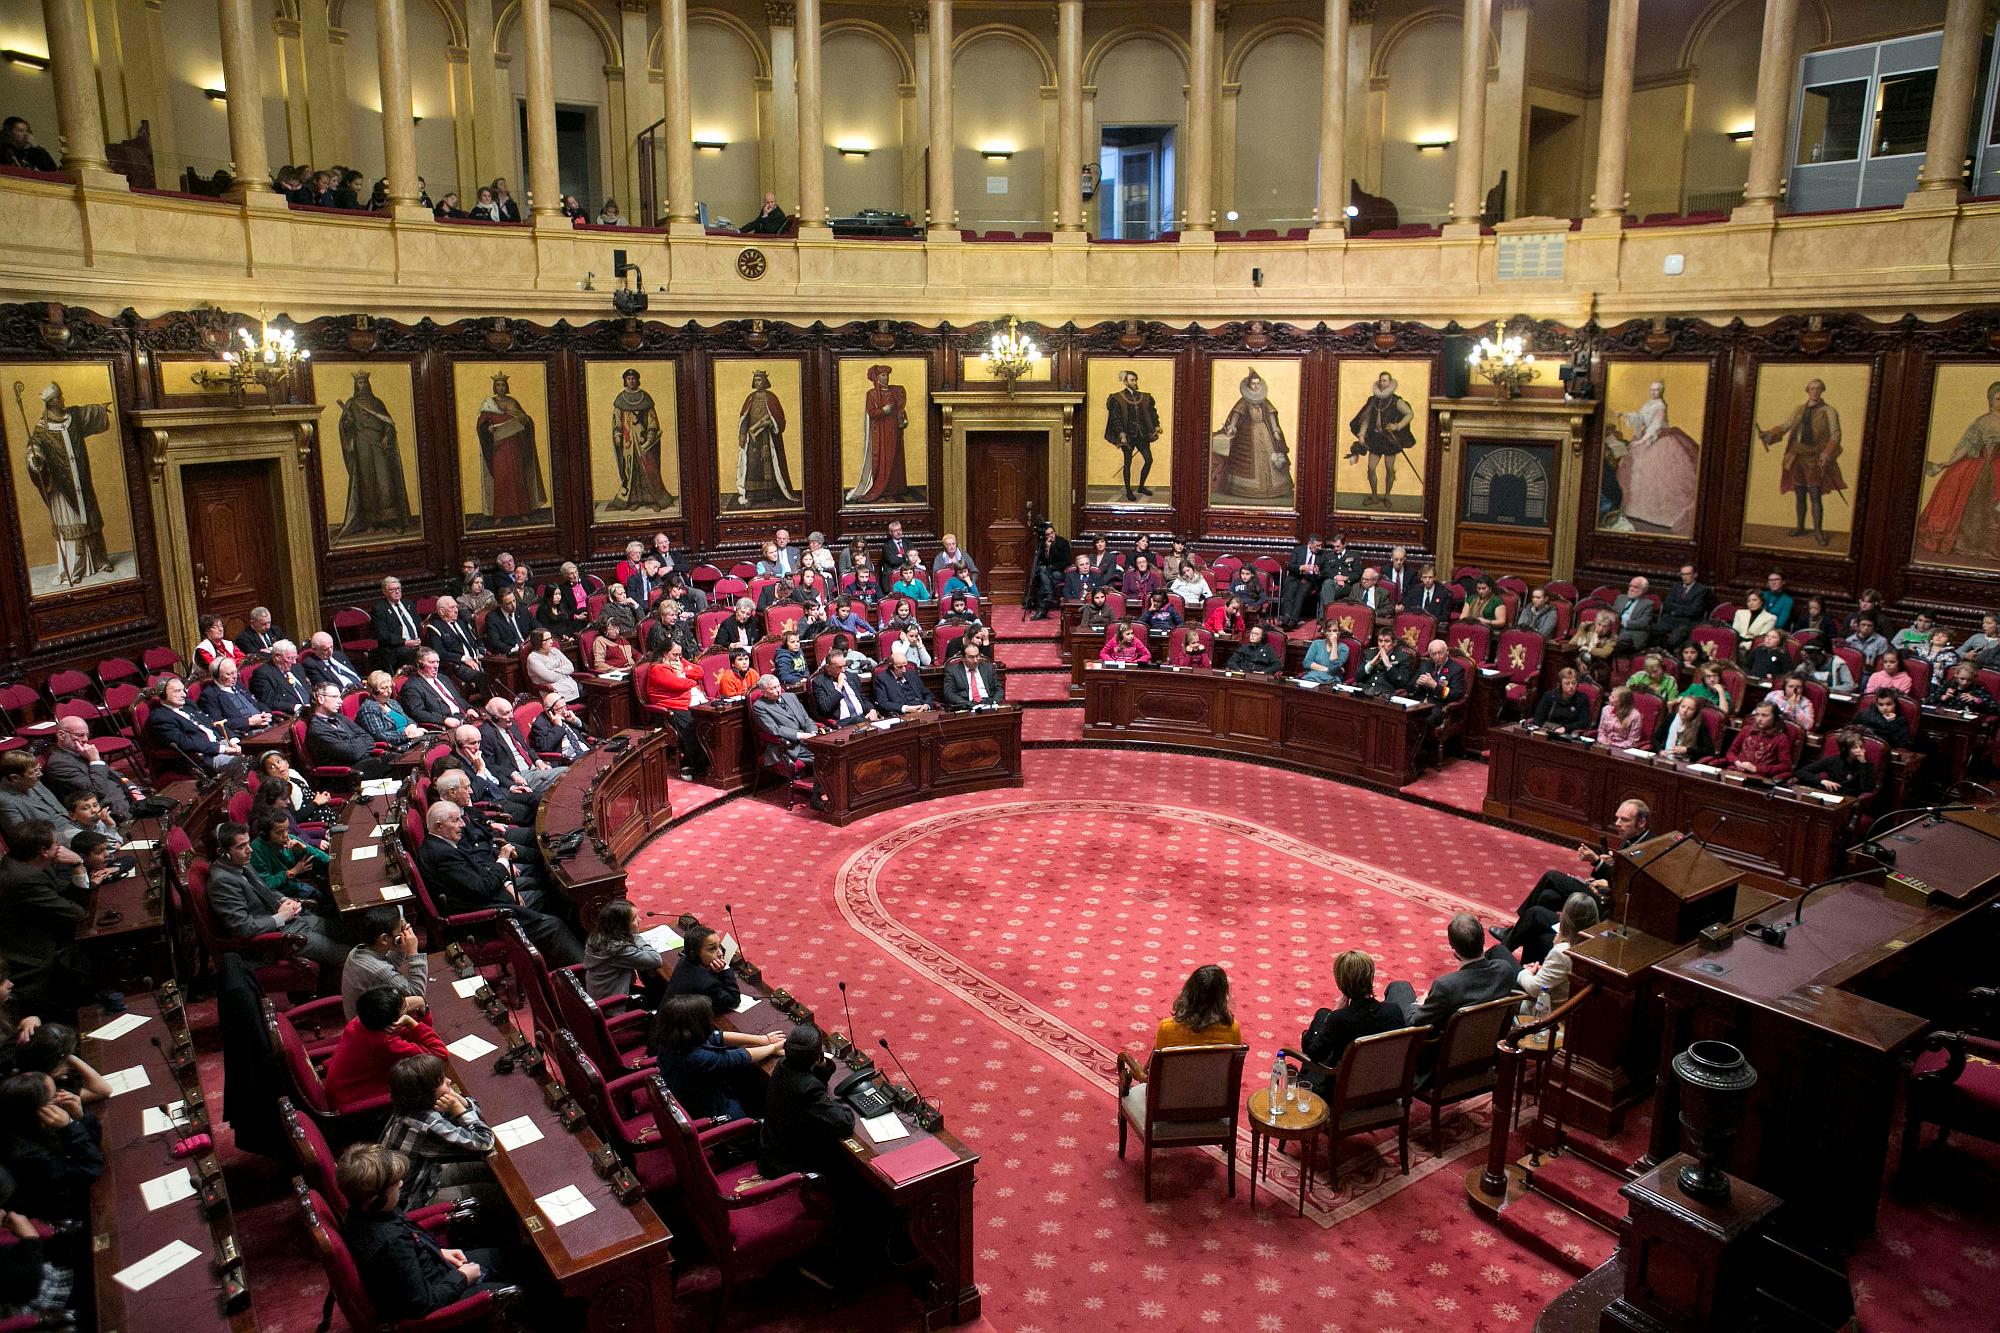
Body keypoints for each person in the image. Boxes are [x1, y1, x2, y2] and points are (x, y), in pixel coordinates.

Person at [335, 1144, 518, 1321]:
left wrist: (438, 1252)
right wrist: (462, 1277)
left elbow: (409, 1247)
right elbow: (422, 1304)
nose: (401, 1184)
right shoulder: (391, 1242)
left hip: (434, 1266)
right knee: (526, 1289)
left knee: (518, 1257)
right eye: (394, 1183)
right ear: (375, 1199)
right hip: (440, 1294)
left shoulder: (361, 1213)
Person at [416, 801, 580, 966]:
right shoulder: (443, 855)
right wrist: (502, 861)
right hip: (485, 919)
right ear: (439, 826)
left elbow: (477, 876)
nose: (463, 824)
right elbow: (482, 888)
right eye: (456, 820)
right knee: (553, 926)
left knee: (542, 897)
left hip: (487, 900)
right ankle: (586, 973)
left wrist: (504, 877)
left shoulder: (440, 845)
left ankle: (553, 956)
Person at [1495, 800, 1648, 961]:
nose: (1617, 824)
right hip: (1603, 892)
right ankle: (1528, 953)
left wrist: (1598, 863)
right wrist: (1606, 867)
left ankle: (1510, 938)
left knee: (1551, 877)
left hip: (1607, 909)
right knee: (1547, 896)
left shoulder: (1647, 848)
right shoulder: (1631, 837)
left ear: (1642, 822)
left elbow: (1631, 888)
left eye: (1624, 820)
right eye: (1617, 818)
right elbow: (1619, 875)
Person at [204, 818, 347, 967]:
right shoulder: (221, 882)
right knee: (347, 954)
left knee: (352, 932)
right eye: (241, 846)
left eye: (248, 843)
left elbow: (265, 889)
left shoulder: (239, 863)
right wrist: (281, 917)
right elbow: (244, 928)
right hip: (280, 937)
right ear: (222, 852)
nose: (250, 849)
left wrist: (285, 899)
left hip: (292, 919)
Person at [650, 994, 782, 1121]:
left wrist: (763, 1040)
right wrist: (773, 1048)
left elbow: (717, 1036)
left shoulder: (672, 1036)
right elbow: (738, 1056)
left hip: (686, 1091)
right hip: (708, 1110)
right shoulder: (696, 1057)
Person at [1298, 951, 1413, 1091]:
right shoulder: (1393, 1011)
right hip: (1386, 1088)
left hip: (1344, 1091)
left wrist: (1330, 1016)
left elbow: (1314, 1053)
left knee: (1322, 1015)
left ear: (1340, 983)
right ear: (1371, 977)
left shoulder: (1338, 1019)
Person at [1756, 376, 1846, 547]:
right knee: (1799, 493)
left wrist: (1826, 454)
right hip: (1796, 457)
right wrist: (1768, 434)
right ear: (1807, 391)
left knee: (1815, 496)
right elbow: (1785, 427)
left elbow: (1836, 435)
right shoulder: (1799, 410)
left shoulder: (1829, 411)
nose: (1815, 391)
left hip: (1814, 458)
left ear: (1822, 390)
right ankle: (1800, 527)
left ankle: (1818, 532)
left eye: (1818, 388)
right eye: (1812, 388)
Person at [757, 1024, 856, 1180]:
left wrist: (821, 1070)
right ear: (817, 1057)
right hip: (788, 1166)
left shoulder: (782, 1065)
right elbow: (844, 1122)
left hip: (771, 1150)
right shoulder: (808, 1088)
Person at [0, 1072, 101, 1222]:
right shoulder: (26, 1154)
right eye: (55, 1095)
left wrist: (80, 1117)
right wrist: (70, 1127)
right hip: (67, 1212)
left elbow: (96, 1146)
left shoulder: (34, 1125)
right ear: (38, 1109)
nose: (62, 1096)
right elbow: (91, 1169)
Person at [1405, 915, 1521, 1035]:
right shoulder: (1505, 969)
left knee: (1400, 988)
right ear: (1483, 938)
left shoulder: (1446, 986)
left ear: (1452, 945)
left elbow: (1414, 1023)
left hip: (1446, 1048)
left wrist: (1418, 1005)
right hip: (1492, 1041)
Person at [42, 715, 139, 823]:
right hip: (109, 814)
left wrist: (132, 788)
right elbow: (96, 791)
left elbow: (113, 774)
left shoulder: (81, 751)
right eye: (80, 735)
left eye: (87, 735)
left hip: (126, 800)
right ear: (61, 735)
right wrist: (95, 761)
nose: (86, 739)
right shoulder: (59, 763)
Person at [1346, 370, 1418, 509]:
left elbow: (1409, 414)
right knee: (1371, 468)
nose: (1382, 383)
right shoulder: (1373, 400)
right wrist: (1361, 434)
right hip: (1375, 439)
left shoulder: (1396, 400)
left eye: (1385, 380)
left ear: (1390, 383)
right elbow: (1366, 419)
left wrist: (1397, 426)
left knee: (1389, 469)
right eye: (1381, 380)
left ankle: (1387, 496)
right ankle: (1374, 496)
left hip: (1389, 440)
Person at [1517, 894, 1599, 1011]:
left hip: (1544, 1012)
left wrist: (1523, 972)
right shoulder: (1595, 944)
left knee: (1499, 955)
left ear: (1566, 918)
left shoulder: (1563, 951)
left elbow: (1534, 989)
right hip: (1567, 1003)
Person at [342, 906, 427, 1019]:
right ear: (384, 939)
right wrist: (413, 953)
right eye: (399, 931)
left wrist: (400, 947)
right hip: (373, 1028)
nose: (403, 933)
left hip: (363, 1017)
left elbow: (389, 965)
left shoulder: (358, 951)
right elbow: (417, 994)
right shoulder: (379, 970)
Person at [583, 899, 669, 1007]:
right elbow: (655, 959)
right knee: (666, 999)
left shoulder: (598, 936)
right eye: (634, 919)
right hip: (613, 1006)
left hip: (602, 994)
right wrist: (635, 936)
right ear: (621, 926)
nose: (639, 920)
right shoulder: (618, 949)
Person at [306, 683, 391, 779]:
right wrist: (360, 744)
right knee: (395, 764)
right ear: (320, 699)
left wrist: (356, 746)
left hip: (364, 761)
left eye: (339, 697)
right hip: (348, 774)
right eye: (335, 697)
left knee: (397, 759)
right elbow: (352, 754)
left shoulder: (339, 717)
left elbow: (368, 738)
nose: (340, 701)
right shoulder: (317, 729)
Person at [1149, 965, 1241, 1051]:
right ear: (1222, 998)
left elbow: (1157, 1066)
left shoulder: (1166, 1028)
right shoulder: (1233, 1030)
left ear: (1188, 993)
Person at [750, 674, 819, 775]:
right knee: (822, 758)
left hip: (808, 739)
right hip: (788, 746)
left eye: (778, 686)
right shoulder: (759, 706)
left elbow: (806, 718)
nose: (778, 690)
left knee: (831, 752)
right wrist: (800, 735)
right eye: (773, 688)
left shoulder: (791, 696)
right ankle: (822, 788)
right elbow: (774, 729)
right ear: (764, 692)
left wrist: (813, 732)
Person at [423, 598, 488, 695]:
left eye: (456, 607)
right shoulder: (434, 627)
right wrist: (464, 659)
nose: (456, 610)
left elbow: (475, 641)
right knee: (481, 676)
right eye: (452, 607)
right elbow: (440, 653)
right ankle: (488, 703)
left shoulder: (462, 622)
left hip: (477, 659)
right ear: (442, 611)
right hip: (457, 664)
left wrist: (480, 653)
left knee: (498, 669)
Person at [1796, 728, 1877, 797]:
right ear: (1845, 750)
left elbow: (1867, 788)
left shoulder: (1866, 765)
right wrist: (1821, 781)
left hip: (1849, 799)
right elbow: (1801, 772)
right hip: (1828, 794)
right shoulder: (1832, 760)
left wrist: (1863, 763)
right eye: (1855, 747)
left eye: (1861, 747)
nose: (1859, 750)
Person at [1726, 702, 1797, 778]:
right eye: (1757, 715)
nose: (1759, 719)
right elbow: (1731, 752)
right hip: (1736, 771)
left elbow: (1785, 766)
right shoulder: (1746, 730)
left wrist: (1756, 769)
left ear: (1775, 718)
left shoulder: (1781, 738)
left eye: (1764, 715)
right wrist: (1737, 762)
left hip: (1759, 778)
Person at [355, 671, 424, 746]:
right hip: (398, 747)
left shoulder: (392, 703)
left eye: (390, 687)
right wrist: (406, 735)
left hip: (413, 738)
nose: (389, 691)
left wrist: (412, 725)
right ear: (373, 691)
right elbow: (380, 735)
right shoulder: (368, 709)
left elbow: (408, 719)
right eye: (384, 688)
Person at [372, 576, 423, 670]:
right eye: (392, 590)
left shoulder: (408, 604)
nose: (397, 592)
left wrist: (419, 639)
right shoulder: (380, 609)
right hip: (396, 647)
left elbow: (419, 624)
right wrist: (405, 642)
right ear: (385, 592)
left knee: (433, 650)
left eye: (398, 589)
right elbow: (383, 635)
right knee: (409, 653)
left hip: (417, 642)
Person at [1655, 565, 1709, 649]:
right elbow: (1667, 604)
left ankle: (1670, 658)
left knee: (1673, 640)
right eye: (1683, 574)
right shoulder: (1676, 586)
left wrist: (1676, 610)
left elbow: (1694, 610)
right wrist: (1683, 608)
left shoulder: (1701, 590)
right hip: (1671, 619)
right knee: (1651, 630)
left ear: (1695, 575)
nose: (1685, 577)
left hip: (1687, 622)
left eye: (1688, 574)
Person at [1280, 535, 1329, 627]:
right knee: (1289, 591)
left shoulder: (1323, 554)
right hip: (1295, 577)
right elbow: (1290, 565)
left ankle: (1293, 620)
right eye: (1317, 546)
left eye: (1320, 545)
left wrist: (1318, 572)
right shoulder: (1298, 550)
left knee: (1300, 593)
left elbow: (1326, 572)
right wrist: (1300, 567)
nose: (1319, 548)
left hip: (1310, 579)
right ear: (1310, 544)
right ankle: (1286, 616)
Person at [1653, 693, 1718, 761]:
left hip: (1687, 763)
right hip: (1665, 758)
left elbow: (1709, 751)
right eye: (1683, 706)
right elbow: (1655, 739)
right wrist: (1660, 751)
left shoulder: (1700, 725)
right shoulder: (1671, 718)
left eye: (1690, 709)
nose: (1684, 711)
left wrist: (1687, 750)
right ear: (1678, 707)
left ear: (1695, 712)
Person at [874, 643, 935, 714]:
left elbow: (928, 694)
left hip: (922, 711)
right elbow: (883, 703)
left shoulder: (911, 674)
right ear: (891, 667)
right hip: (902, 715)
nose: (904, 670)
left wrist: (926, 705)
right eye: (899, 667)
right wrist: (906, 708)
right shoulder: (883, 678)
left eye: (905, 666)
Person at [299, 630, 366, 693]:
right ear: (314, 650)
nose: (330, 651)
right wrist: (349, 689)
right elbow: (324, 687)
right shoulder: (310, 664)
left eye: (331, 647)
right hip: (344, 693)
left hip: (361, 686)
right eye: (325, 649)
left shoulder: (338, 655)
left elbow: (354, 674)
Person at [943, 640, 1004, 710]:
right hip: (967, 706)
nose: (975, 660)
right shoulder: (953, 671)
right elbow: (949, 693)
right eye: (971, 657)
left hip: (989, 704)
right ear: (963, 658)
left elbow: (999, 689)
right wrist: (967, 704)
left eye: (977, 656)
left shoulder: (988, 668)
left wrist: (994, 701)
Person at [1357, 625, 1414, 695]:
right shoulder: (1369, 653)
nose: (1382, 644)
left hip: (1384, 694)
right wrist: (1370, 664)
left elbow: (1402, 683)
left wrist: (1388, 665)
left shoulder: (1403, 657)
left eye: (1387, 641)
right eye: (1380, 641)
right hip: (1365, 690)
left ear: (1394, 643)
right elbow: (1357, 677)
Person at [1532, 667, 1592, 733]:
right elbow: (1538, 718)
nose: (1571, 686)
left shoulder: (1582, 699)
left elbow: (1584, 722)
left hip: (1568, 733)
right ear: (1560, 684)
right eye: (1567, 683)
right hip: (1546, 731)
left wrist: (1565, 728)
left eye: (1574, 683)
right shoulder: (1549, 696)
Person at [482, 586, 536, 656]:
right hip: (511, 653)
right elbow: (495, 642)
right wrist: (513, 650)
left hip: (530, 647)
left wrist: (533, 637)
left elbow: (537, 626)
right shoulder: (492, 618)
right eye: (509, 603)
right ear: (500, 604)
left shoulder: (522, 609)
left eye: (514, 601)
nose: (513, 605)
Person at [1569, 609, 1619, 683]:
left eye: (1605, 626)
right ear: (1595, 621)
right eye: (1599, 624)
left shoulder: (1612, 637)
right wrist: (1579, 661)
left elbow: (1604, 653)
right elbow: (1573, 643)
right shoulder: (1586, 627)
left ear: (1610, 627)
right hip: (1580, 660)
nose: (1601, 629)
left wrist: (1588, 648)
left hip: (1599, 666)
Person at [1928, 659, 1995, 714]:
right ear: (1956, 675)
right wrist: (1941, 698)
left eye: (1970, 680)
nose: (1965, 683)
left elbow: (1994, 709)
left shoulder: (1978, 689)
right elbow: (1927, 701)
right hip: (1944, 716)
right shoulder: (1948, 685)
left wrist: (1976, 700)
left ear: (1974, 678)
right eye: (1962, 679)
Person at [1609, 576, 1652, 650]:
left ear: (1644, 590)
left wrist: (1623, 623)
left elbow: (1643, 624)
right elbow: (1612, 613)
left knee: (1611, 639)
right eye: (1630, 586)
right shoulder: (1621, 598)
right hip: (1615, 628)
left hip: (1632, 631)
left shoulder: (1647, 604)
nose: (1631, 589)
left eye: (1636, 587)